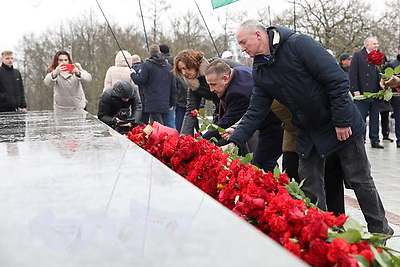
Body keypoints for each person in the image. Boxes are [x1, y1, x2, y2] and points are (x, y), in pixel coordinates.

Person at [229, 19, 392, 236]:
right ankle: (324, 234)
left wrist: (341, 121)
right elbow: (255, 111)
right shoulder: (260, 70)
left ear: (258, 35)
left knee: (358, 179)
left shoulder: (298, 45)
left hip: (339, 121)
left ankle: (380, 230)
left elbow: (336, 81)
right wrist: (235, 140)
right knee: (309, 183)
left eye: (243, 42)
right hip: (308, 128)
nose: (242, 48)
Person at [203, 60, 283, 172]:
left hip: (277, 122)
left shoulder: (238, 93)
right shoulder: (238, 71)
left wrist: (201, 141)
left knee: (264, 163)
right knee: (261, 161)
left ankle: (276, 186)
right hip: (266, 121)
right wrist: (235, 128)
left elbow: (228, 120)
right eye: (209, 85)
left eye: (213, 84)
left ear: (225, 78)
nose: (211, 90)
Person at [173, 49, 241, 136]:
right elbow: (191, 112)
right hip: (220, 110)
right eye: (181, 70)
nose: (184, 73)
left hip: (238, 104)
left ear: (193, 63)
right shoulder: (194, 85)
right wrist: (184, 137)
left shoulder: (217, 66)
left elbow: (240, 73)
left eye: (185, 68)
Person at [349, 37, 385, 148]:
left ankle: (375, 139)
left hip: (376, 92)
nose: (376, 45)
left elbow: (381, 73)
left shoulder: (379, 56)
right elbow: (353, 74)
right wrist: (355, 90)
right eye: (374, 43)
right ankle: (361, 139)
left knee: (375, 117)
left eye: (377, 43)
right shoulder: (358, 55)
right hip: (362, 93)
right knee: (361, 117)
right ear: (367, 45)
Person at [131, 44, 176, 125]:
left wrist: (133, 75)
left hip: (151, 101)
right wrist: (171, 102)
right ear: (159, 52)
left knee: (157, 125)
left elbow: (141, 81)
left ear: (149, 53)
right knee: (160, 124)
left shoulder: (147, 65)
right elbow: (173, 87)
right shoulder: (168, 67)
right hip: (165, 102)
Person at [384, 46, 400, 148]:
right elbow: (386, 80)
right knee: (399, 119)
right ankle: (399, 139)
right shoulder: (392, 64)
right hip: (397, 96)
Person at [159, 44, 176, 129]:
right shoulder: (174, 61)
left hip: (162, 97)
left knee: (160, 124)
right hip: (174, 96)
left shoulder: (161, 63)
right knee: (171, 123)